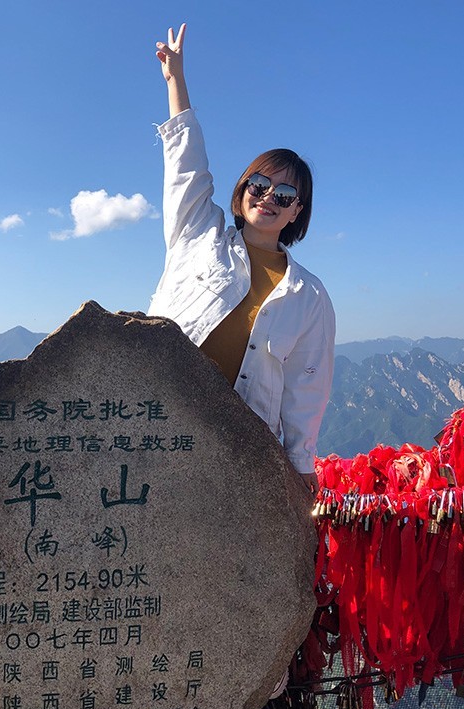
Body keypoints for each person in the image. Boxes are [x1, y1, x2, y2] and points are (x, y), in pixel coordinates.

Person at [149, 24, 335, 492]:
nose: (269, 196)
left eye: (286, 192)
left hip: (239, 452)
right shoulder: (198, 233)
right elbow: (185, 165)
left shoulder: (309, 295)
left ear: (297, 212)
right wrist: (176, 82)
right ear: (242, 190)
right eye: (259, 184)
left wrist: (302, 465)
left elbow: (305, 387)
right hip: (155, 419)